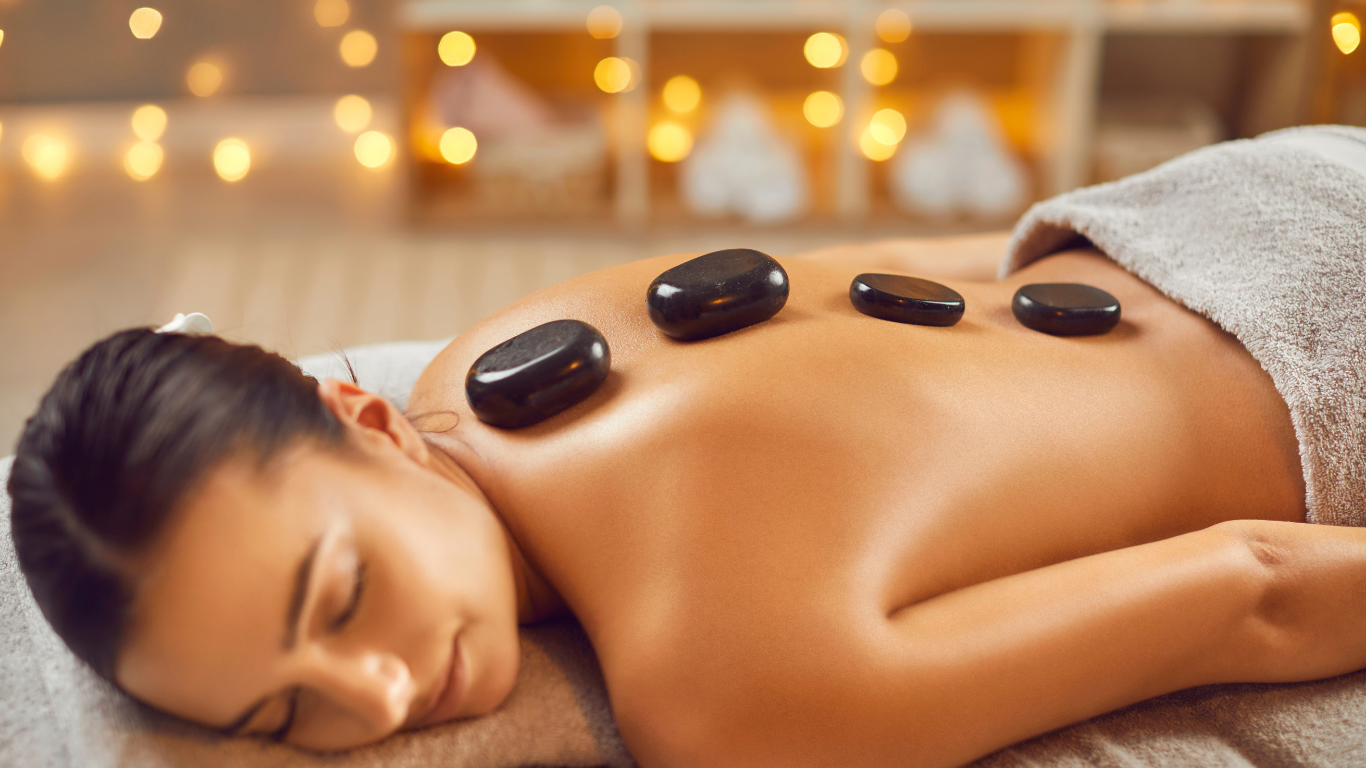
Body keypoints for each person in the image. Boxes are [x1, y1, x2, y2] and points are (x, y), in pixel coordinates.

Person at [9, 142, 1366, 767]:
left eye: (343, 598)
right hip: (1212, 201)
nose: (369, 704)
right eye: (283, 719)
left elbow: (1244, 585)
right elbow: (913, 264)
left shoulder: (718, 696)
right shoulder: (491, 351)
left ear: (365, 425)